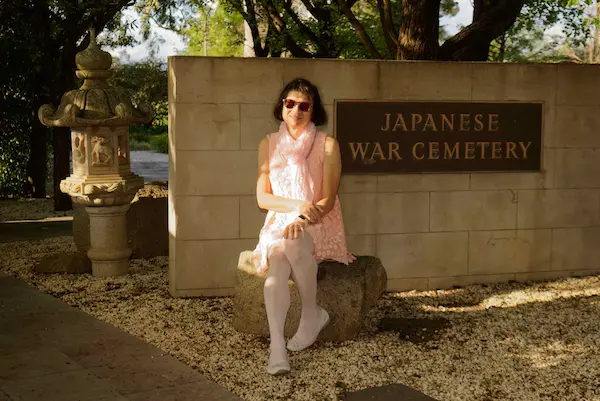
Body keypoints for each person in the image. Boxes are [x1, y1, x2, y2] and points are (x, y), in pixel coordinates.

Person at [252, 77, 355, 376]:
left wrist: (303, 217)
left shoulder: (327, 145)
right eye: (290, 103)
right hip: (280, 220)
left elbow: (327, 199)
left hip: (317, 221)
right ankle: (277, 347)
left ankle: (311, 313)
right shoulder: (268, 144)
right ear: (282, 106)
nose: (296, 110)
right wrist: (295, 208)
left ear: (314, 111)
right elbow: (263, 198)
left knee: (294, 242)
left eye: (304, 106)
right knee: (277, 270)